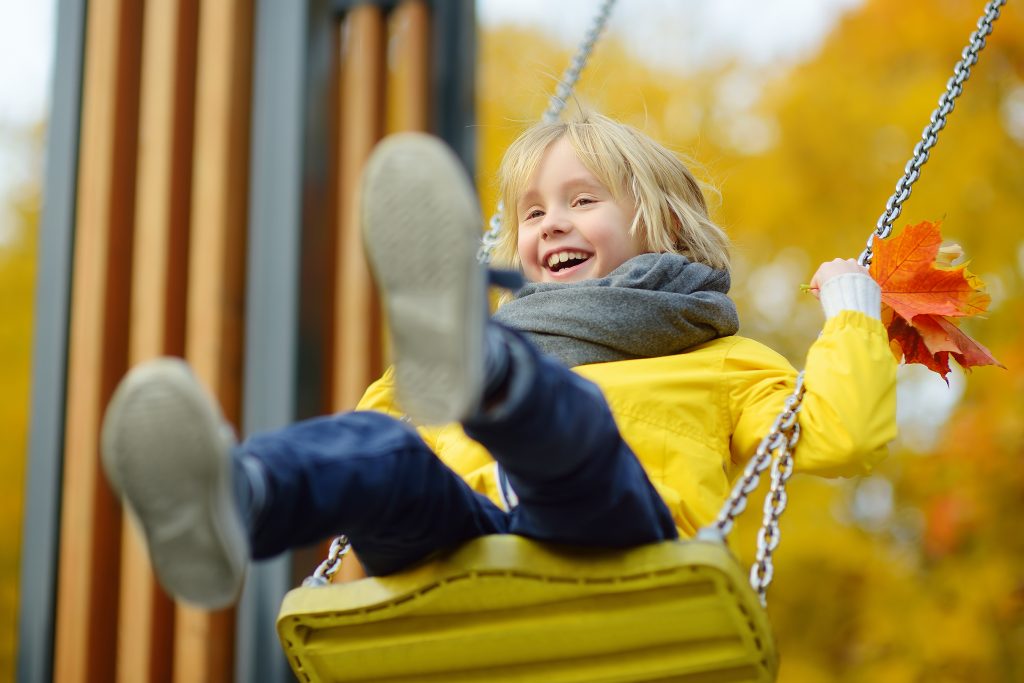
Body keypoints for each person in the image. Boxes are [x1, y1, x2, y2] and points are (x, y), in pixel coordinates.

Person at [101, 111, 897, 610]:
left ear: (665, 228)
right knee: (384, 451)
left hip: (625, 561)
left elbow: (839, 437)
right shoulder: (437, 355)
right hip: (462, 557)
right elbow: (363, 443)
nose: (552, 223)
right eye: (534, 211)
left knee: (577, 429)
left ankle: (496, 374)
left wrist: (853, 316)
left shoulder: (717, 358)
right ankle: (235, 498)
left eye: (584, 201)